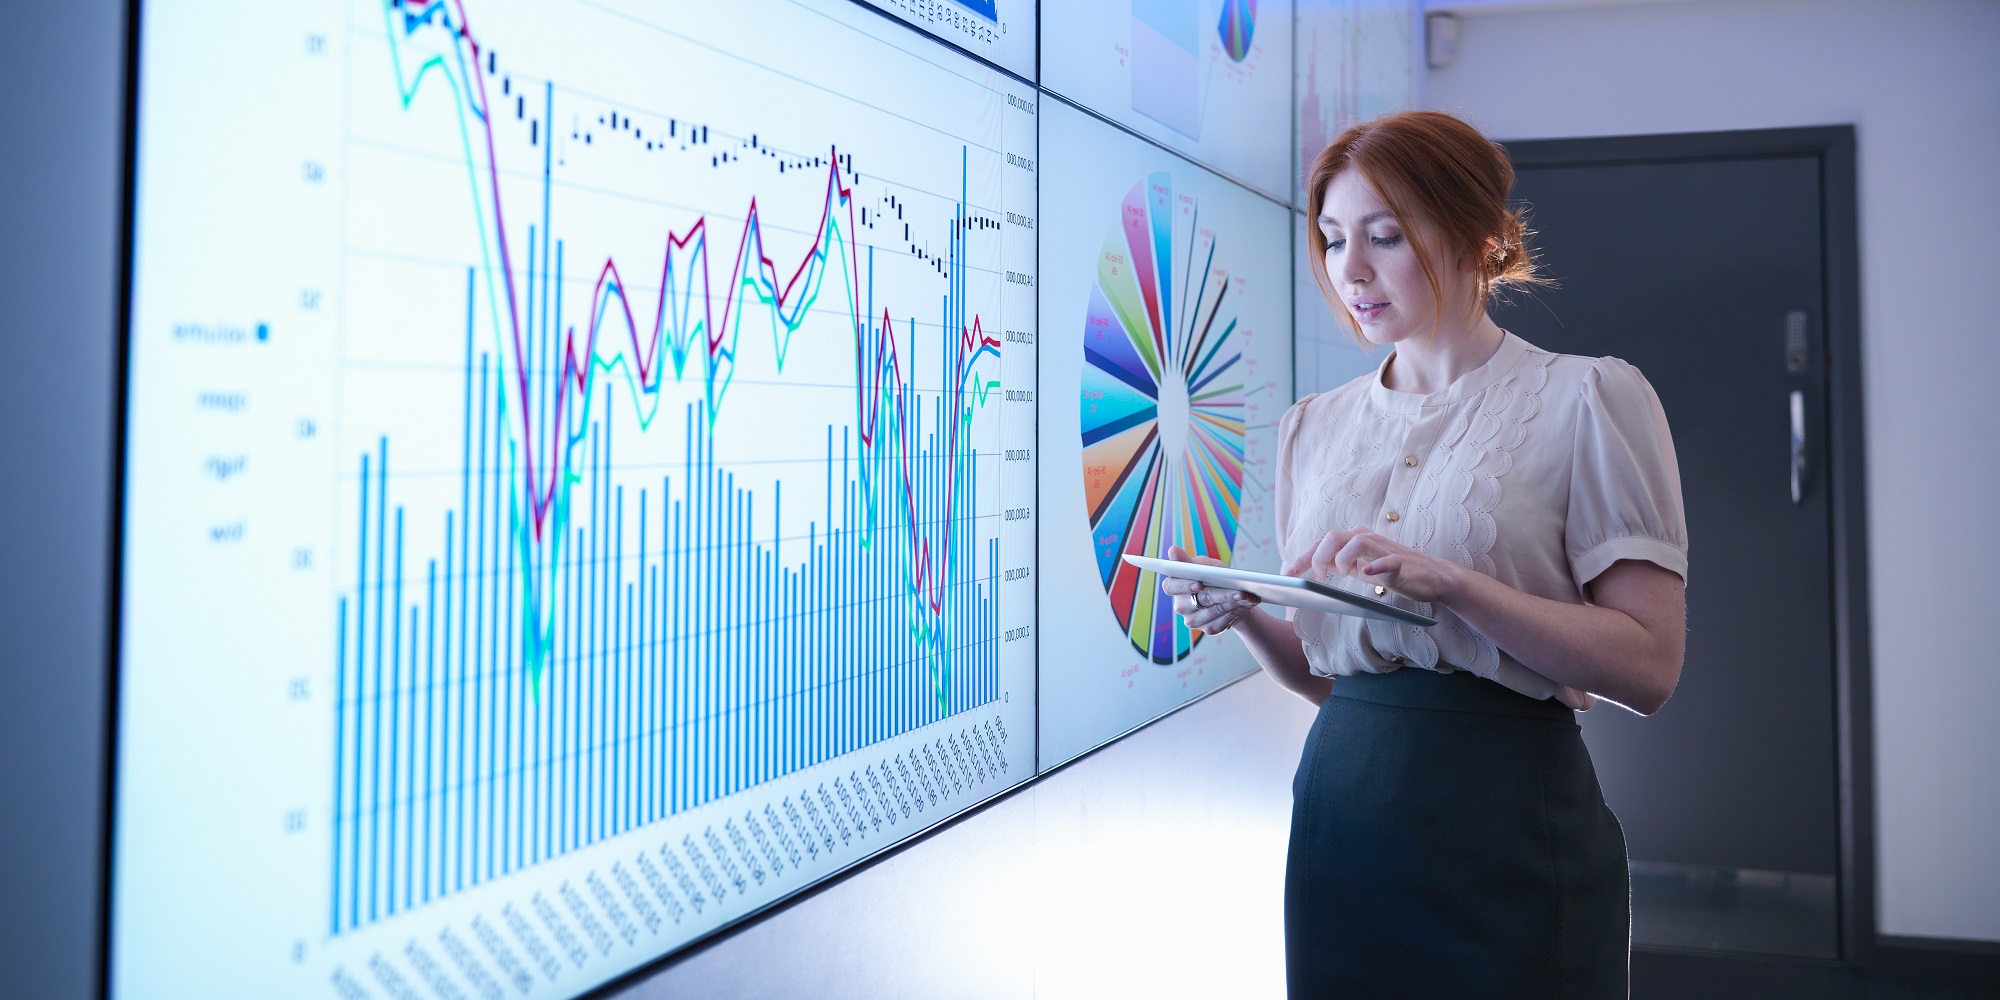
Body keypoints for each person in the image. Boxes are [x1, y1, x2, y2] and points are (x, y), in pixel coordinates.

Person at [1160, 109, 1689, 997]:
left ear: (1478, 238)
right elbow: (1335, 674)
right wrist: (1247, 617)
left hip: (1508, 824)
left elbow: (1649, 667)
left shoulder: (1586, 399)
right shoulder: (1313, 431)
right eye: (1332, 240)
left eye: (1385, 236)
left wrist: (1455, 585)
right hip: (1340, 818)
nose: (1350, 270)